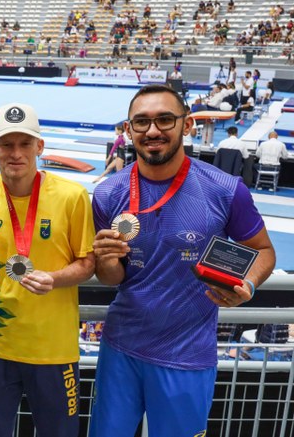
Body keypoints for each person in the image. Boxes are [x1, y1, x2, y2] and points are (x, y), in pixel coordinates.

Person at [90, 84, 275, 437]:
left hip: (187, 356)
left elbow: (264, 251)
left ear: (187, 125)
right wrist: (106, 260)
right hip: (120, 349)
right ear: (129, 130)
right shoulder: (107, 193)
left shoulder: (224, 189)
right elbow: (113, 278)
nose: (153, 130)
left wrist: (247, 283)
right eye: (141, 122)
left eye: (164, 119)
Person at [0, 103, 95, 437]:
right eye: (6, 144)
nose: (16, 153)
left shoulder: (73, 196)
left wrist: (54, 279)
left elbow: (87, 263)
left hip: (55, 351)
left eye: (25, 144)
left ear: (40, 147)